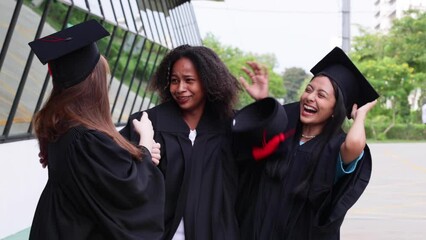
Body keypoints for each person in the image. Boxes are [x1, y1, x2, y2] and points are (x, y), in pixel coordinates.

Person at [28, 20, 165, 240]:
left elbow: (103, 174)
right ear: (95, 82)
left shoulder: (62, 127)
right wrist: (146, 140)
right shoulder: (84, 139)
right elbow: (129, 190)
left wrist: (143, 155)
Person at [120, 44, 268, 240]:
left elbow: (266, 153)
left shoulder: (232, 127)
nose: (180, 88)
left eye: (189, 80)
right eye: (174, 80)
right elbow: (117, 172)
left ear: (208, 82)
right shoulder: (148, 123)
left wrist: (262, 105)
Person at [233, 47, 379, 239]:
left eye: (321, 95)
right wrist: (264, 102)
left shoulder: (334, 149)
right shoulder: (283, 133)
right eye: (309, 90)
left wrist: (360, 116)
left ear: (336, 109)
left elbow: (354, 145)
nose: (310, 97)